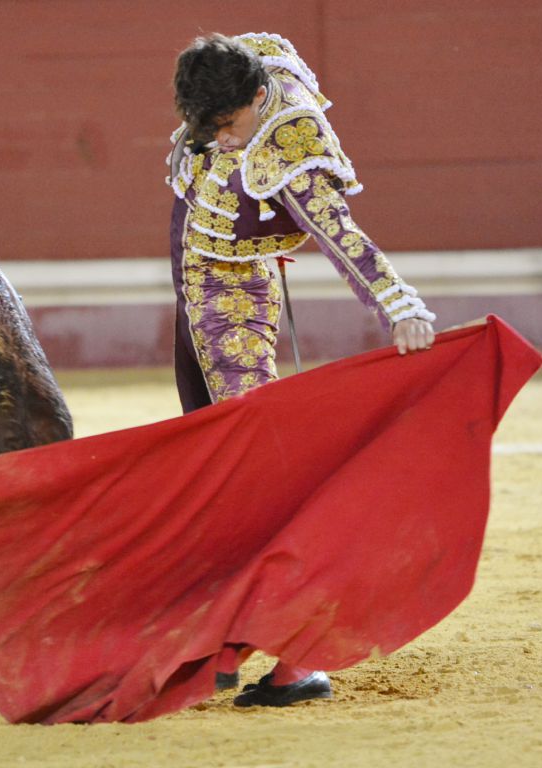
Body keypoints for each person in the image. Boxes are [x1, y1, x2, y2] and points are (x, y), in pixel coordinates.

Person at [166, 32, 437, 706]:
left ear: (258, 99)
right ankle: (227, 642)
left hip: (232, 299)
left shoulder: (289, 140)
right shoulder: (241, 73)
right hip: (192, 291)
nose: (221, 140)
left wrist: (398, 302)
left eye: (229, 127)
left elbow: (338, 231)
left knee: (255, 478)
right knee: (214, 465)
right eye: (208, 127)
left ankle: (293, 657)